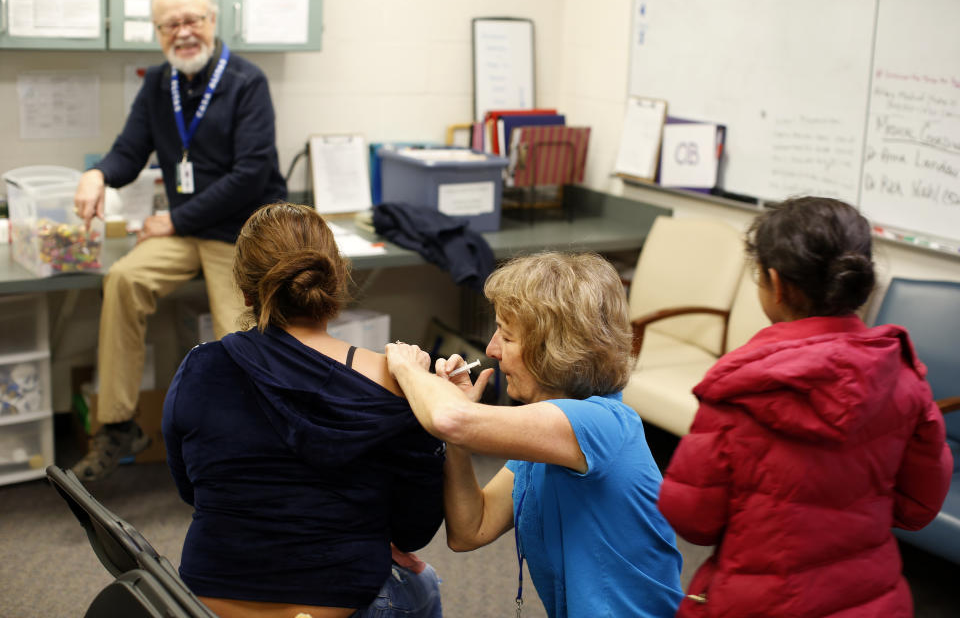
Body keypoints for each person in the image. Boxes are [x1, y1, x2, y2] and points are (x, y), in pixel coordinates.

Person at [657, 197, 953, 617]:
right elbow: (919, 506)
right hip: (873, 600)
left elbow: (694, 519)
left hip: (758, 600)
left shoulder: (740, 390)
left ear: (775, 284)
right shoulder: (906, 380)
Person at [161, 202, 445, 618]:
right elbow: (414, 532)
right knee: (423, 583)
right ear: (335, 282)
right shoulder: (393, 380)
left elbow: (192, 487)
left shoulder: (199, 366)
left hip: (209, 604)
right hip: (337, 605)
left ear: (244, 290)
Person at [385, 252, 685, 618]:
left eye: (507, 337)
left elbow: (449, 418)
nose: (493, 350)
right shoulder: (545, 440)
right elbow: (471, 530)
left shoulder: (599, 424)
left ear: (552, 349)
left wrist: (406, 368)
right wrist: (459, 442)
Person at [72, 0, 286, 480]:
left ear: (213, 21)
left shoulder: (246, 81)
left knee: (240, 330)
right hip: (183, 231)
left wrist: (174, 218)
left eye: (192, 20)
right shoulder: (157, 85)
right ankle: (119, 423)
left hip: (239, 232)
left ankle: (254, 448)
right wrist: (97, 173)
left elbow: (250, 175)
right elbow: (129, 150)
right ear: (158, 32)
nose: (183, 32)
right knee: (123, 281)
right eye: (171, 24)